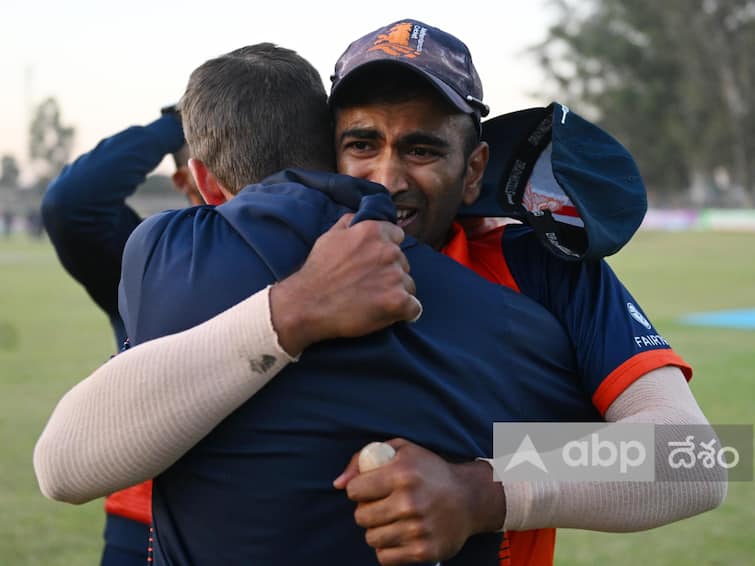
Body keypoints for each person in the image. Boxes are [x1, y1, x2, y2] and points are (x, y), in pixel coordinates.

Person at [35, 25, 724, 566]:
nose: (387, 176)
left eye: (421, 150)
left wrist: (482, 490)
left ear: (474, 164)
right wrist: (292, 310)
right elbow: (65, 462)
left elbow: (694, 460)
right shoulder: (261, 252)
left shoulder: (542, 267)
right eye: (360, 143)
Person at [40, 106, 203, 565]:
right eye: (212, 157)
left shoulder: (303, 251)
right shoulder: (148, 261)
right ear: (188, 180)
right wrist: (179, 121)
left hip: (255, 519)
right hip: (141, 520)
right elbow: (72, 204)